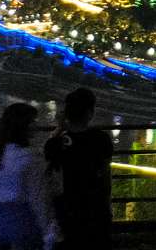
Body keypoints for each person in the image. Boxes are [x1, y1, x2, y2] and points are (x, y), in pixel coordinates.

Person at [0, 103, 58, 250]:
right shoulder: (31, 157)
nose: (36, 125)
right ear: (23, 127)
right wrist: (49, 232)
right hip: (22, 223)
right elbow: (39, 199)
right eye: (33, 121)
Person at [43, 88, 112, 249]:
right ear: (89, 113)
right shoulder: (100, 138)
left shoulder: (57, 142)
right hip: (95, 204)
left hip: (67, 205)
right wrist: (107, 204)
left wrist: (60, 127)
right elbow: (105, 174)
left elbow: (50, 160)